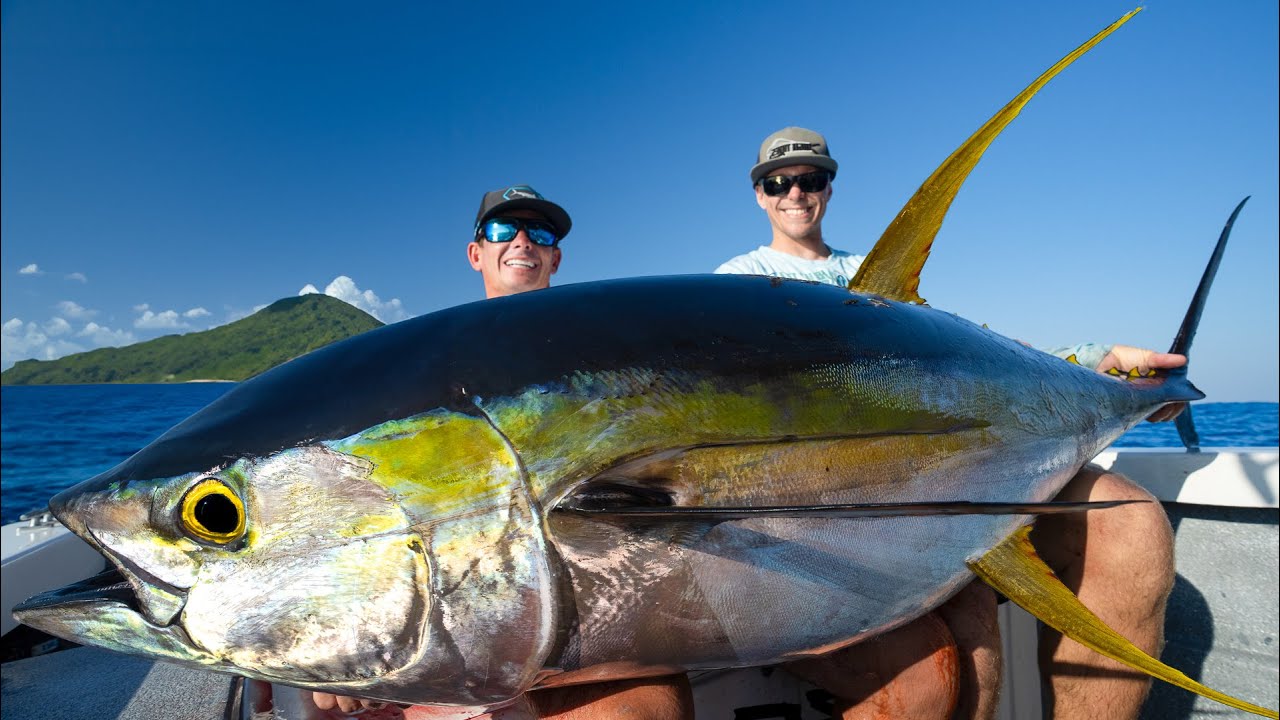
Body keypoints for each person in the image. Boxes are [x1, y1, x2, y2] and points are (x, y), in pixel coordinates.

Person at [716, 127, 1180, 720]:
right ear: (760, 194)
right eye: (778, 183)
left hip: (951, 472)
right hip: (848, 498)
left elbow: (980, 360)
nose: (795, 193)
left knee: (1134, 524)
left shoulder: (876, 276)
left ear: (829, 186)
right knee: (972, 631)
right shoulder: (737, 282)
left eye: (811, 179)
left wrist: (1095, 359)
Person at [312, 185, 693, 719]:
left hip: (599, 590)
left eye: (539, 233)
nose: (521, 241)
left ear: (555, 256)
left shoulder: (604, 351)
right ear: (477, 253)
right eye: (501, 230)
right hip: (459, 596)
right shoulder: (429, 366)